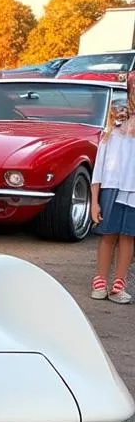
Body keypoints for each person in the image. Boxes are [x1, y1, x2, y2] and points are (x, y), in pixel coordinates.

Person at [90, 75, 135, 303]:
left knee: (129, 236)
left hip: (132, 190)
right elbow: (99, 166)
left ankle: (119, 283)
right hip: (111, 187)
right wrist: (95, 200)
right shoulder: (113, 126)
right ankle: (100, 279)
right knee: (108, 235)